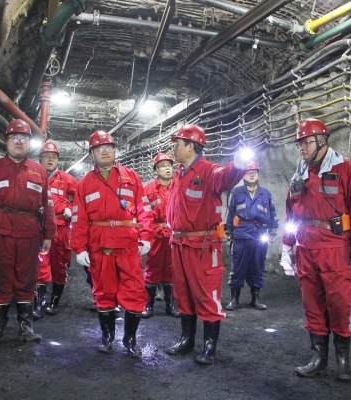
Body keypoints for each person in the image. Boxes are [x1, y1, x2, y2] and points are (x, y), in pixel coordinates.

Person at [283, 118, 351, 381]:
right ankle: (318, 360)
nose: (302, 147)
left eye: (306, 142)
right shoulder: (299, 174)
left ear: (322, 142)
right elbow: (290, 212)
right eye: (299, 143)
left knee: (340, 304)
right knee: (312, 304)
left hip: (335, 247)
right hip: (306, 246)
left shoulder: (345, 169)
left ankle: (342, 361)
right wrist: (287, 244)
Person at [165, 124, 251, 365]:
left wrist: (238, 164)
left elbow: (226, 178)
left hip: (202, 245)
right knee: (183, 293)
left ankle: (209, 347)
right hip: (180, 243)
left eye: (178, 144)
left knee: (206, 294)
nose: (174, 149)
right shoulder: (179, 173)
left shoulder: (210, 171)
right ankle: (187, 340)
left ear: (191, 146)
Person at [0, 119, 56, 346]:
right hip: (0, 230)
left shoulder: (39, 171)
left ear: (29, 143)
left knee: (27, 277)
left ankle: (26, 327)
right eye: (14, 138)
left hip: (29, 231)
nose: (19, 142)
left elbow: (47, 204)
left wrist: (49, 234)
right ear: (7, 142)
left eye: (24, 138)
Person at [70, 130, 153, 357]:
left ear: (115, 150)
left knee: (135, 291)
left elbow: (144, 209)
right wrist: (80, 248)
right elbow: (79, 218)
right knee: (104, 292)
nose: (104, 152)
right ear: (92, 154)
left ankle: (130, 339)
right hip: (101, 246)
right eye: (99, 149)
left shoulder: (131, 177)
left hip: (128, 244)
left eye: (108, 147)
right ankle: (107, 337)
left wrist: (146, 236)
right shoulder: (84, 184)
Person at [33, 140, 78, 318]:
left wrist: (71, 208)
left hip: (61, 228)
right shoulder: (33, 176)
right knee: (40, 264)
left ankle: (54, 302)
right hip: (40, 228)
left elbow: (80, 197)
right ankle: (39, 304)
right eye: (46, 156)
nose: (50, 159)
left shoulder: (67, 179)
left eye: (54, 157)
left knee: (60, 264)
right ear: (40, 158)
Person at [225, 161, 278, 311]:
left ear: (258, 173)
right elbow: (231, 213)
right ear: (243, 175)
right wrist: (229, 232)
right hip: (241, 235)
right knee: (237, 267)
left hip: (259, 234)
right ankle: (234, 300)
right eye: (248, 172)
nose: (252, 174)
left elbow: (272, 214)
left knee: (257, 267)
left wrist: (273, 232)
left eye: (254, 171)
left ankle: (255, 299)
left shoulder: (265, 193)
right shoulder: (237, 192)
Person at [142, 153, 180, 318]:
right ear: (156, 170)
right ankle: (148, 305)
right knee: (153, 269)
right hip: (156, 235)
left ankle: (170, 305)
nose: (167, 169)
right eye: (163, 166)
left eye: (169, 165)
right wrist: (146, 236)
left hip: (173, 235)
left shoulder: (178, 187)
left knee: (171, 269)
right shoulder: (149, 190)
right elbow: (144, 214)